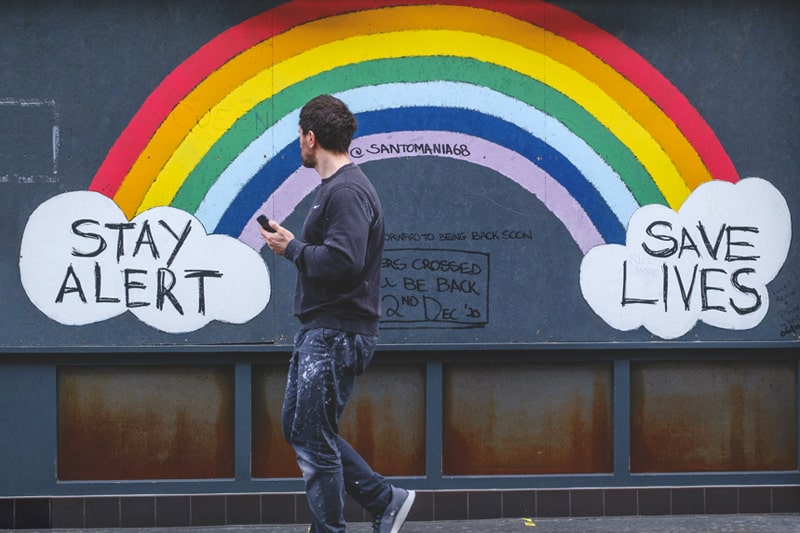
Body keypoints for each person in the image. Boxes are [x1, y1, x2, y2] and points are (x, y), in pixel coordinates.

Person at [261, 94, 415, 533]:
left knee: (312, 437)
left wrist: (292, 248)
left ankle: (351, 518)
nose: (299, 145)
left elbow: (345, 261)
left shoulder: (345, 190)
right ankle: (385, 499)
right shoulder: (338, 190)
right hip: (326, 330)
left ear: (311, 138)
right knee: (302, 428)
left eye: (299, 138)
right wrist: (298, 246)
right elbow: (337, 253)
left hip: (335, 333)